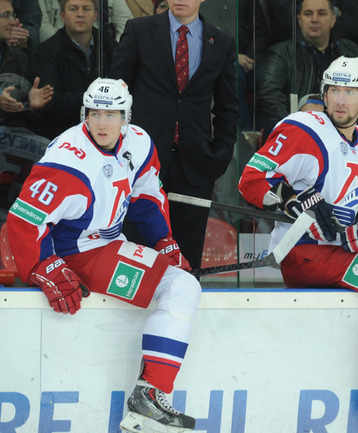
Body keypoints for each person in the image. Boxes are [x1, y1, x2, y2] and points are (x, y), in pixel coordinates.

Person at [239, 56, 358, 433]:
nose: (341, 99)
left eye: (350, 91)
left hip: (338, 253)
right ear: (324, 94)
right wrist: (292, 197)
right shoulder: (302, 128)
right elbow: (251, 180)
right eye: (334, 90)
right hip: (303, 253)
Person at [6, 78, 200, 432]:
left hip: (107, 245)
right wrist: (42, 265)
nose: (102, 123)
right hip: (76, 255)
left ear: (126, 117)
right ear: (85, 113)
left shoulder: (138, 143)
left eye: (111, 114)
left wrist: (163, 241)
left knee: (181, 284)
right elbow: (24, 218)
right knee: (182, 287)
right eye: (94, 113)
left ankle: (146, 401)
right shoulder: (67, 159)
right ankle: (150, 395)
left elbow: (146, 196)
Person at [111, 0, 239, 274]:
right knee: (135, 260)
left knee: (186, 265)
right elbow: (115, 93)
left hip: (195, 166)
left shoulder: (222, 42)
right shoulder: (138, 30)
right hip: (141, 164)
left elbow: (228, 107)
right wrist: (117, 151)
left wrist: (220, 154)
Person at [257, 0, 358, 137]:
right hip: (300, 130)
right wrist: (293, 127)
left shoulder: (349, 49)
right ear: (299, 20)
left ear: (333, 19)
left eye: (321, 13)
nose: (314, 19)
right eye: (308, 14)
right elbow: (269, 96)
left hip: (349, 129)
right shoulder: (282, 52)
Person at [28, 0, 117, 140]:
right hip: (63, 135)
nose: (80, 14)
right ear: (62, 15)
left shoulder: (112, 47)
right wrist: (98, 98)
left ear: (95, 15)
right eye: (73, 9)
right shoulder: (46, 51)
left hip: (107, 132)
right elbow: (52, 102)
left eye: (86, 9)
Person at [39, 0, 134, 43]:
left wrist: (114, 50)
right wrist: (73, 44)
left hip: (101, 53)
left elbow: (126, 24)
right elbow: (42, 28)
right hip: (58, 52)